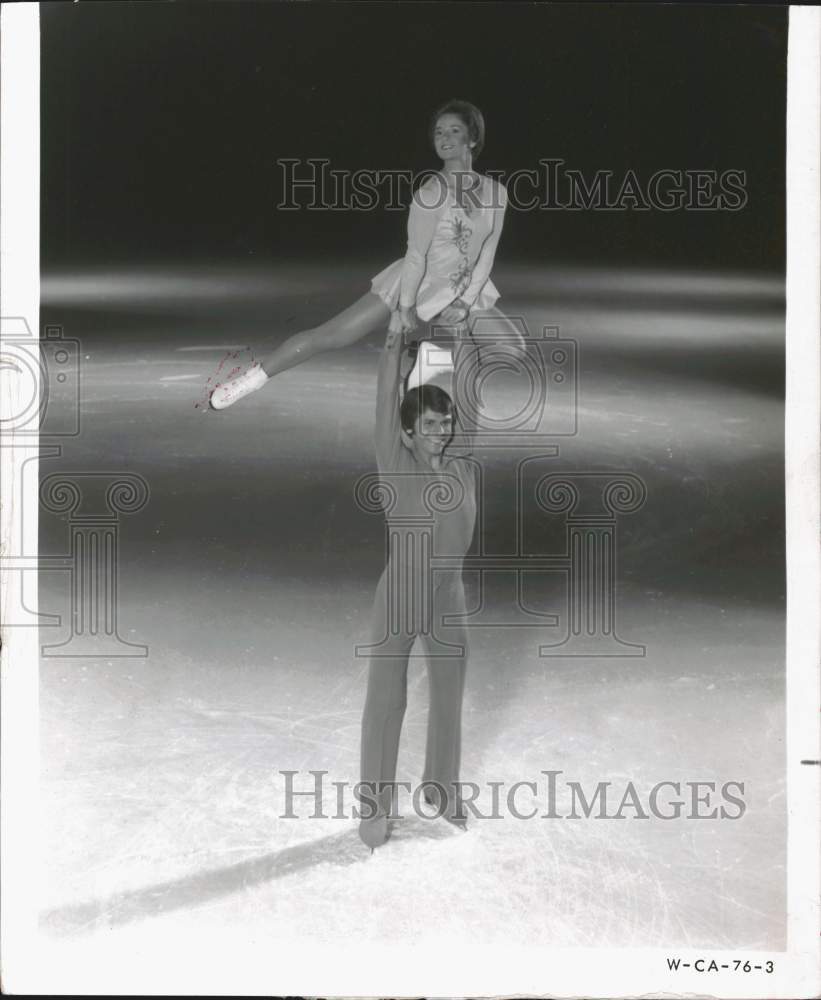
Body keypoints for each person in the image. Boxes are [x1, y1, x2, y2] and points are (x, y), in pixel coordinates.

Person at [208, 98, 523, 410]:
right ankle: (252, 379)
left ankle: (427, 356)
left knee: (512, 348)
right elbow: (416, 256)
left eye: (454, 130)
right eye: (439, 132)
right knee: (332, 336)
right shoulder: (430, 193)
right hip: (414, 282)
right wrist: (407, 307)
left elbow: (487, 253)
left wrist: (465, 302)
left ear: (473, 138)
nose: (444, 138)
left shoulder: (497, 192)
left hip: (461, 289)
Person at [356, 320, 480, 851]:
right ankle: (375, 809)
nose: (442, 431)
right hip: (401, 596)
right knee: (388, 700)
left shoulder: (463, 464)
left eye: (445, 422)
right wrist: (396, 343)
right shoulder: (395, 462)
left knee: (450, 696)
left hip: (449, 598)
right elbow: (387, 398)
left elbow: (472, 392)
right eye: (430, 424)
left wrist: (466, 332)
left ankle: (442, 788)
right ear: (407, 431)